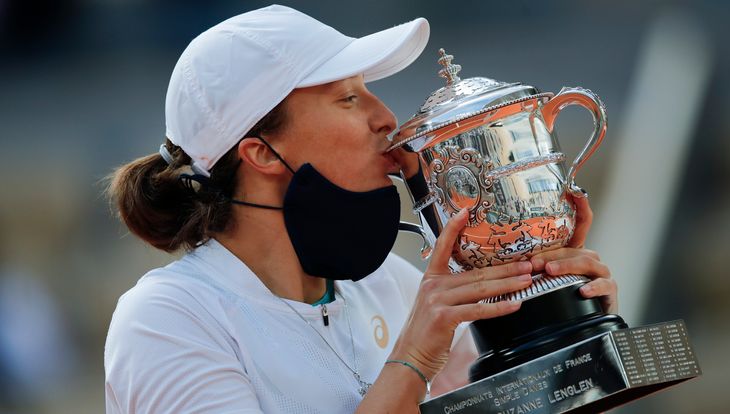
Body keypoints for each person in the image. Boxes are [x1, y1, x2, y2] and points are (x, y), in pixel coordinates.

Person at [104, 5, 618, 413]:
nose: (386, 118)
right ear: (261, 152)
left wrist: (555, 310)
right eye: (348, 99)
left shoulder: (390, 285)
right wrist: (412, 362)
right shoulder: (167, 321)